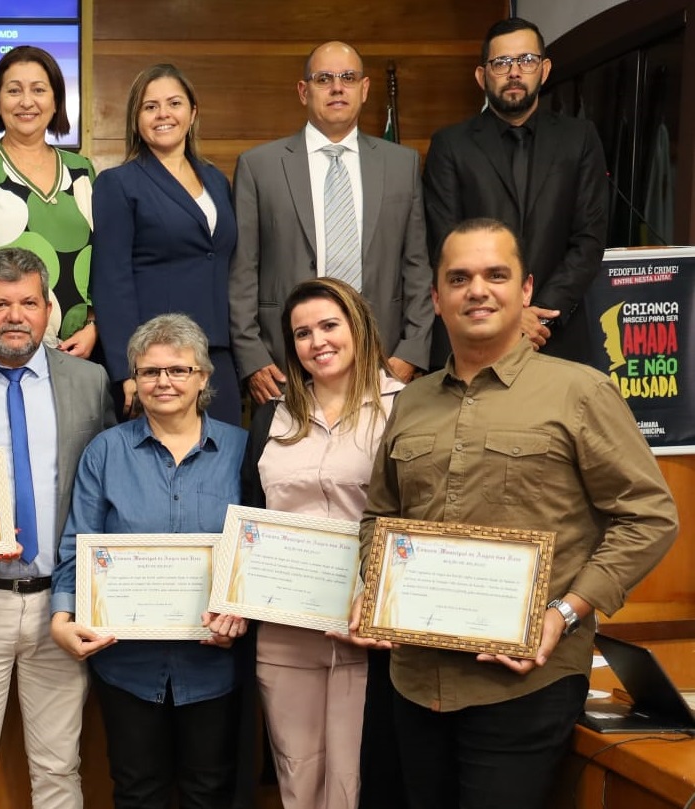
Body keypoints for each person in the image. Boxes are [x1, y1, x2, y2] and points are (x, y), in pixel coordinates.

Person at [352, 218, 677, 809]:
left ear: (525, 290)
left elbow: (650, 516)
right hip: (416, 680)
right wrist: (378, 587)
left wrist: (563, 612)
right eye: (460, 278)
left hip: (525, 683)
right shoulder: (413, 402)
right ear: (437, 296)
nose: (477, 290)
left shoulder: (580, 393)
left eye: (494, 275)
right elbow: (380, 515)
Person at [0, 247, 115, 809]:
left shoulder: (89, 380)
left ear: (48, 311)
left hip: (58, 605)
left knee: (60, 768)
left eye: (29, 303)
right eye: (0, 304)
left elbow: (105, 487)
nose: (15, 316)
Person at [50, 313, 249, 809]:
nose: (164, 382)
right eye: (150, 371)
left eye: (178, 370)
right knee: (137, 791)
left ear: (203, 377)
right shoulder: (105, 452)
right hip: (127, 664)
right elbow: (78, 542)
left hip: (214, 663)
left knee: (211, 792)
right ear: (133, 380)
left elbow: (259, 551)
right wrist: (61, 616)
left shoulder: (242, 450)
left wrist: (241, 610)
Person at [238, 278, 403, 809]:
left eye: (329, 326)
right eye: (303, 333)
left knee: (355, 777)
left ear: (358, 328)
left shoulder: (402, 409)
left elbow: (413, 513)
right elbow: (249, 514)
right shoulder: (270, 416)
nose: (318, 342)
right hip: (285, 628)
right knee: (295, 771)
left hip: (365, 630)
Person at [229, 40, 431, 405]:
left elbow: (416, 266)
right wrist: (253, 358)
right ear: (304, 91)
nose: (337, 87)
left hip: (382, 362)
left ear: (364, 89)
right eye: (324, 78)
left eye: (348, 77)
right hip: (285, 363)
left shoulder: (402, 165)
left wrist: (412, 352)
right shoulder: (260, 166)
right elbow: (243, 270)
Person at [422, 17, 608, 367]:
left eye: (526, 60)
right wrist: (509, 314)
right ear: (482, 76)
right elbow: (445, 243)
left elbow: (589, 240)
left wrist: (538, 316)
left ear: (545, 69)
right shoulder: (450, 145)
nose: (514, 72)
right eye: (501, 63)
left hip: (557, 336)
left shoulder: (579, 138)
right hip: (475, 334)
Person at [91, 64, 240, 424]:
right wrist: (128, 371)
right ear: (136, 119)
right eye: (150, 106)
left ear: (193, 112)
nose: (163, 114)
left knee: (225, 465)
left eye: (174, 103)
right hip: (157, 363)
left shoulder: (217, 181)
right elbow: (112, 281)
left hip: (216, 355)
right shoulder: (118, 183)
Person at [0, 46, 96, 357]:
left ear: (56, 102)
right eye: (14, 91)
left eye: (38, 90)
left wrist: (94, 325)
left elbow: (102, 260)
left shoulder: (82, 170)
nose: (27, 101)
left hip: (76, 351)